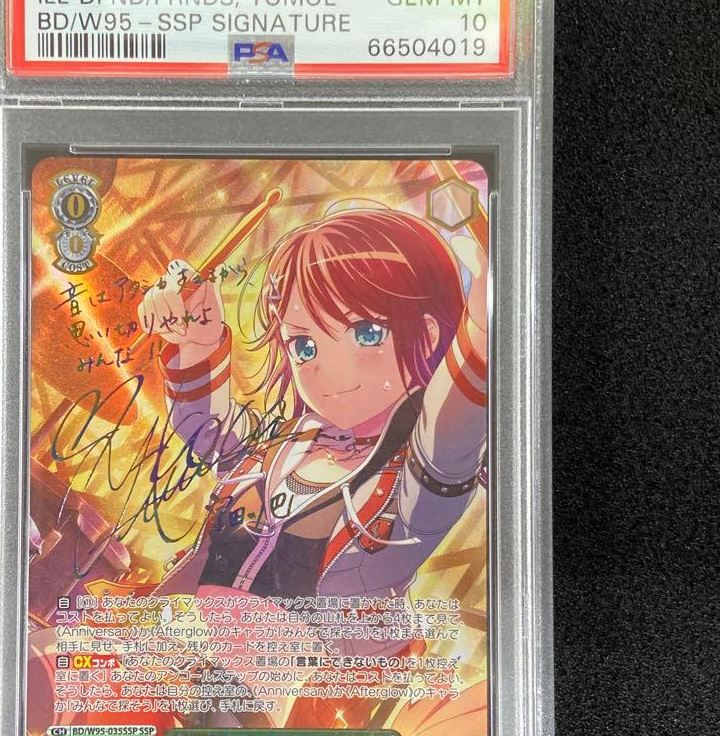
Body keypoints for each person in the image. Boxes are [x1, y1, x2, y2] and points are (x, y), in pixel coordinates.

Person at [138, 203, 487, 654]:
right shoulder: (290, 441)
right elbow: (207, 429)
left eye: (366, 333)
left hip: (322, 687)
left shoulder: (416, 480)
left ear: (429, 335)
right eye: (303, 345)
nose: (323, 369)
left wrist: (481, 333)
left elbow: (450, 428)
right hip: (198, 661)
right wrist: (197, 343)